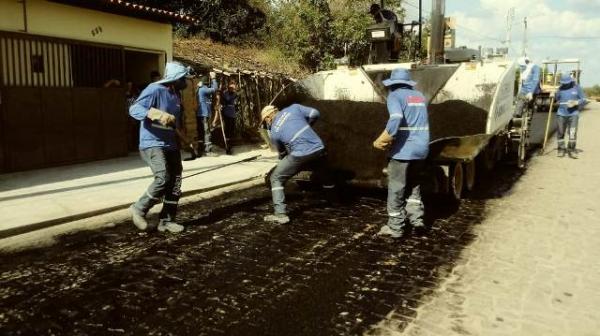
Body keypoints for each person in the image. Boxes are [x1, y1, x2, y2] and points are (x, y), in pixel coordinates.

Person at [128, 62, 190, 233]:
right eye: (183, 78)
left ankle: (167, 220)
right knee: (163, 178)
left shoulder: (176, 95)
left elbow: (173, 124)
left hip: (170, 144)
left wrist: (185, 141)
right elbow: (134, 109)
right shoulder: (154, 90)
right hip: (152, 143)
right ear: (175, 78)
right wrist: (156, 114)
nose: (186, 81)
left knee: (175, 182)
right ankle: (139, 208)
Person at [373, 68, 429, 238]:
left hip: (403, 150)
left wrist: (384, 138)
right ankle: (416, 220)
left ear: (393, 84)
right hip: (422, 149)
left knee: (396, 187)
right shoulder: (420, 97)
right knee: (414, 185)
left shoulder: (395, 96)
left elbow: (396, 118)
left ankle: (395, 227)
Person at [261, 104, 335, 224]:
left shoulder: (274, 132)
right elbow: (315, 113)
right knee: (323, 172)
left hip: (300, 154)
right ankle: (334, 200)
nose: (266, 125)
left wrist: (283, 164)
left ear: (269, 118)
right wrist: (307, 125)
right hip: (318, 148)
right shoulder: (294, 108)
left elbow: (283, 153)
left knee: (276, 178)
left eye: (265, 122)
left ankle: (280, 214)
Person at [554, 73, 586, 159]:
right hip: (561, 113)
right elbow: (557, 100)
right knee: (560, 132)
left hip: (573, 114)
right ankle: (561, 149)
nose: (564, 84)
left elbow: (584, 99)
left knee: (572, 132)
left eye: (566, 83)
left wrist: (575, 102)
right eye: (563, 83)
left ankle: (571, 149)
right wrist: (553, 97)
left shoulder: (577, 87)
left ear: (570, 81)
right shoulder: (560, 89)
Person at [196, 72, 218, 157]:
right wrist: (213, 78)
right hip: (204, 114)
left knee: (201, 132)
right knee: (206, 132)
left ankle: (200, 150)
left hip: (200, 114)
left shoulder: (199, 89)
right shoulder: (203, 89)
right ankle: (208, 150)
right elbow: (215, 89)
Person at [220, 80, 238, 155]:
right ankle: (227, 145)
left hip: (232, 113)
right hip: (227, 113)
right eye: (231, 87)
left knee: (231, 130)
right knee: (227, 129)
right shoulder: (226, 94)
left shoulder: (234, 94)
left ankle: (230, 144)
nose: (233, 89)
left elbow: (235, 101)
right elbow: (227, 99)